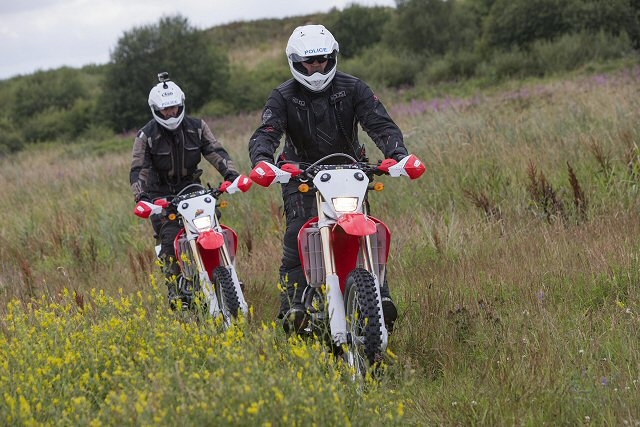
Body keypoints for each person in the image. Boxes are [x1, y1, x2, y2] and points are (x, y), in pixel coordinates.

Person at [248, 24, 408, 333]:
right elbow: (266, 133)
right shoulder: (282, 96)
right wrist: (263, 162)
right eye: (309, 61)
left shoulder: (354, 88)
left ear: (332, 56)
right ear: (296, 61)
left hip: (350, 174)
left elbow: (381, 124)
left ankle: (380, 299)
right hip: (301, 176)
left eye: (322, 58)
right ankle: (294, 307)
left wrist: (400, 154)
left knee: (366, 232)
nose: (316, 66)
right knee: (299, 234)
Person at [130, 72, 240, 308]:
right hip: (161, 195)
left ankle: (225, 274)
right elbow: (139, 168)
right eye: (165, 109)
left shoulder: (197, 127)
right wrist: (142, 197)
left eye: (174, 107)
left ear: (181, 104)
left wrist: (232, 175)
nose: (170, 113)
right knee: (169, 236)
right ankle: (175, 287)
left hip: (192, 189)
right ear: (156, 110)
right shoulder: (146, 135)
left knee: (213, 225)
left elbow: (215, 151)